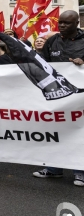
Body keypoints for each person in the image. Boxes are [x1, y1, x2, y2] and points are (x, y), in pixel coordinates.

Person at [33, 10, 84, 187]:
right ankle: (54, 169)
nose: (61, 25)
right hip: (57, 96)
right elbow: (43, 64)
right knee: (55, 132)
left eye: (66, 23)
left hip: (79, 97)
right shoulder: (52, 41)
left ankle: (80, 171)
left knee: (78, 133)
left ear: (76, 23)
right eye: (60, 22)